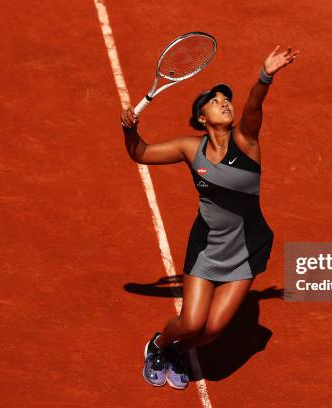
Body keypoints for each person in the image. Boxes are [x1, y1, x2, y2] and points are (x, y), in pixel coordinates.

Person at [121, 45, 299, 389]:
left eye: (225, 99)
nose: (224, 102)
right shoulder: (191, 149)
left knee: (213, 329)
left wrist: (266, 75)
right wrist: (129, 129)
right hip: (208, 246)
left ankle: (177, 353)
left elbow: (253, 105)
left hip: (247, 247)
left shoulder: (246, 141)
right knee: (191, 323)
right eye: (215, 101)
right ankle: (158, 346)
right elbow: (140, 153)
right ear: (202, 118)